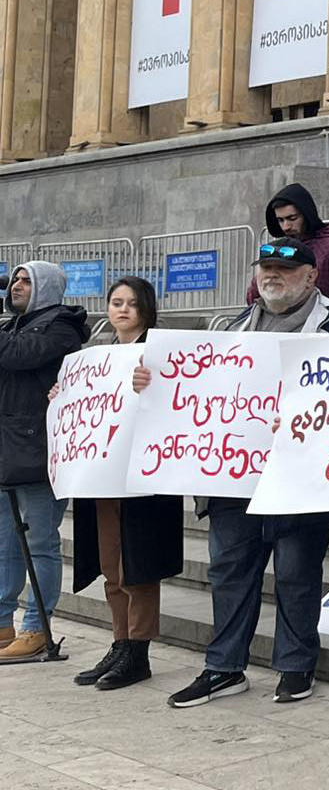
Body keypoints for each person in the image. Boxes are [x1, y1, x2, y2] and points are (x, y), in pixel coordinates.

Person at [163, 236, 329, 707]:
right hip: (234, 478)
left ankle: (295, 664)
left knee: (296, 573)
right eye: (265, 268)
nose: (271, 276)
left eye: (285, 271)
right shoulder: (231, 329)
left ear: (311, 277)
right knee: (230, 572)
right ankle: (224, 666)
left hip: (299, 479)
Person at [64, 278, 182, 689]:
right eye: (116, 302)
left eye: (132, 303)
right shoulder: (96, 356)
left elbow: (182, 402)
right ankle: (119, 641)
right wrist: (61, 396)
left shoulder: (163, 354)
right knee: (111, 563)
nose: (123, 309)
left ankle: (138, 649)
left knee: (139, 565)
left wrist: (153, 388)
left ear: (147, 308)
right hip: (103, 475)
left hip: (144, 476)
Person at [0, 261, 88, 662]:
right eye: (14, 280)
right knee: (5, 544)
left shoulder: (62, 328)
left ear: (46, 287)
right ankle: (3, 622)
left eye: (25, 281)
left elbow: (20, 357)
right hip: (7, 449)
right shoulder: (10, 328)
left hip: (39, 451)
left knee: (40, 543)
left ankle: (37, 626)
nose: (16, 286)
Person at [243, 182, 329, 304]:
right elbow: (253, 297)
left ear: (307, 215)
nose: (286, 226)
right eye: (280, 220)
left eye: (292, 218)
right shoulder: (277, 248)